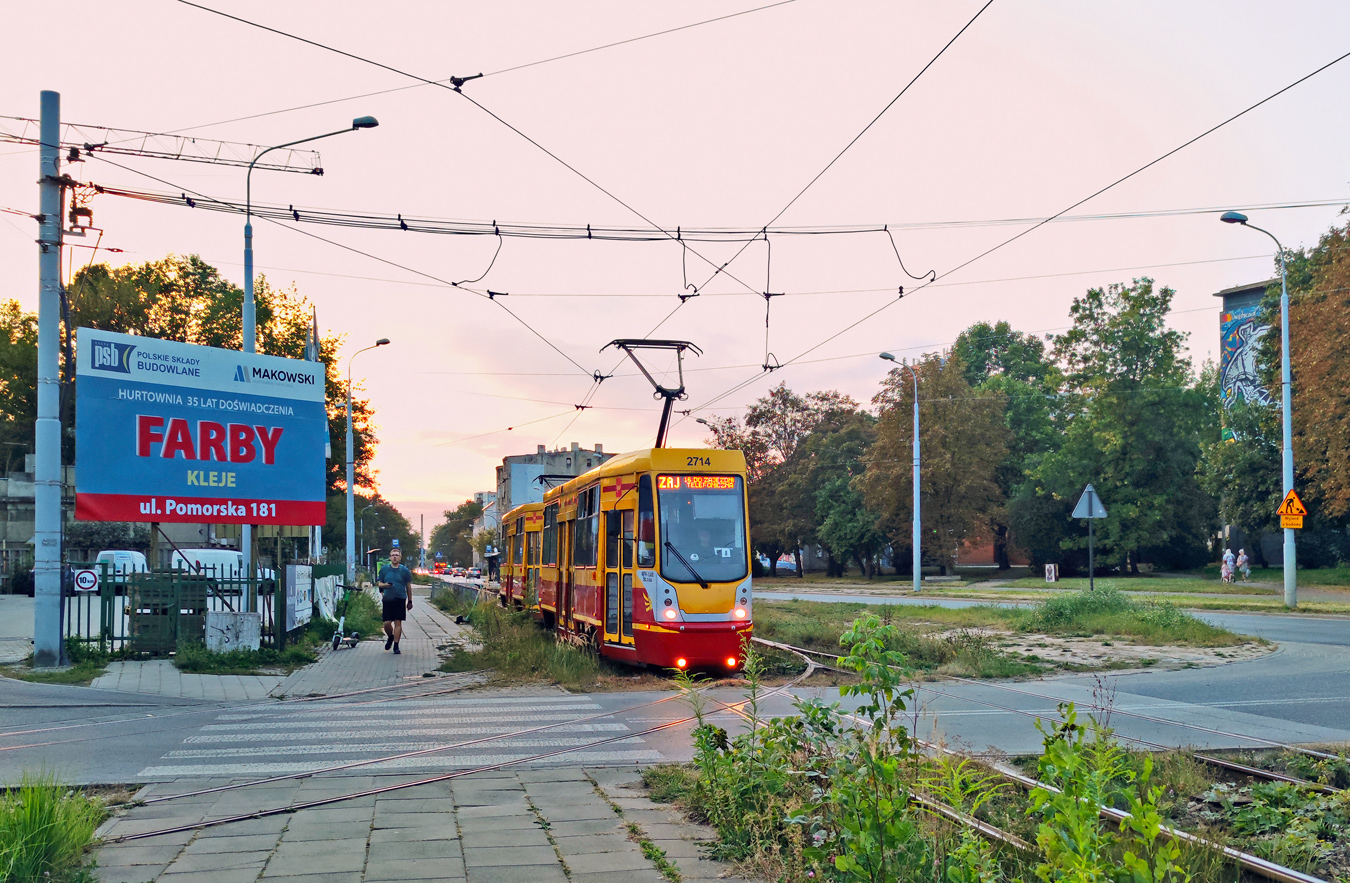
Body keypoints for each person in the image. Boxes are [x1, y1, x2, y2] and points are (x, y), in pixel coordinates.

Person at [377, 546, 413, 654]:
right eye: (393, 555)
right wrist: (385, 585)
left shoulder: (404, 570)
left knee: (398, 622)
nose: (394, 557)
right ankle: (390, 637)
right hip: (388, 599)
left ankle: (396, 645)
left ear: (400, 558)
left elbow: (408, 586)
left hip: (400, 599)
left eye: (397, 555)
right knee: (386, 624)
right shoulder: (384, 569)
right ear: (390, 557)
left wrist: (410, 601)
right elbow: (379, 584)